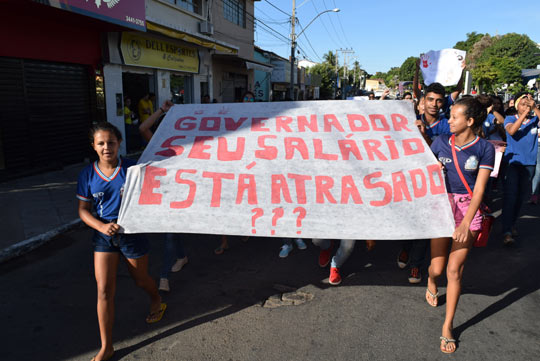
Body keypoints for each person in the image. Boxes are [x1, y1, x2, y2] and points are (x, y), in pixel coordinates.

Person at [77, 122, 166, 361]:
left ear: (119, 143)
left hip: (132, 233)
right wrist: (101, 226)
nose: (107, 147)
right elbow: (83, 210)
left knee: (141, 280)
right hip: (103, 234)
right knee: (104, 290)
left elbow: (157, 185)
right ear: (94, 146)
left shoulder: (133, 168)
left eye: (111, 142)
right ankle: (107, 347)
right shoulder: (87, 174)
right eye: (101, 143)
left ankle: (156, 298)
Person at [427, 97, 495, 353]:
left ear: (470, 121)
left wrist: (467, 223)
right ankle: (431, 282)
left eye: (454, 117)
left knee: (454, 271)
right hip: (441, 207)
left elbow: (479, 189)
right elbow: (421, 169)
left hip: (468, 209)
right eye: (449, 116)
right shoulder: (440, 142)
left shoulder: (485, 148)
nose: (449, 121)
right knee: (437, 268)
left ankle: (448, 326)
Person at [139, 100, 189, 291]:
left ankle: (163, 277)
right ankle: (182, 257)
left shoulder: (192, 146)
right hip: (161, 196)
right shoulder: (158, 144)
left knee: (169, 235)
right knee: (171, 235)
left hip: (179, 198)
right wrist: (161, 110)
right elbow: (142, 128)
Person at [501, 93, 540, 245]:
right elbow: (512, 131)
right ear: (516, 106)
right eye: (523, 103)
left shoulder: (535, 119)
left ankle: (512, 224)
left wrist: (534, 107)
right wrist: (523, 114)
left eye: (528, 103)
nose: (526, 106)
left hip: (529, 164)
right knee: (511, 196)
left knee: (521, 198)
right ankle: (507, 231)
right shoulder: (510, 119)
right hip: (513, 163)